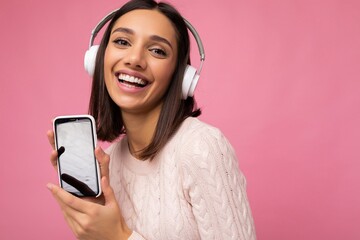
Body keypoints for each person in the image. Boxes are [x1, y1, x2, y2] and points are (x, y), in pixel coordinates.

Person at [46, 0, 256, 239]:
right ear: (98, 59)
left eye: (157, 50)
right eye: (122, 42)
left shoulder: (201, 147)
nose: (135, 59)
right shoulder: (109, 161)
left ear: (182, 77)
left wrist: (119, 236)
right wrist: (96, 216)